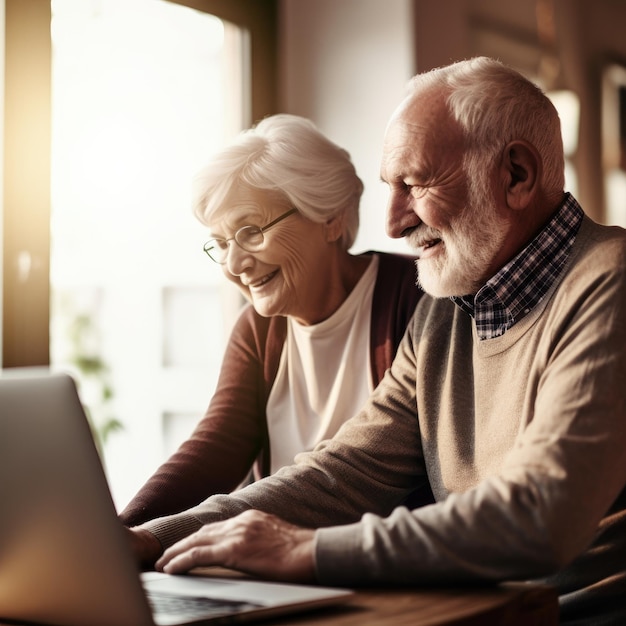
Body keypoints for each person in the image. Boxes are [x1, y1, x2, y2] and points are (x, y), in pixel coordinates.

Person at [129, 58, 626, 624]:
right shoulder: (445, 314)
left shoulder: (610, 281)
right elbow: (342, 473)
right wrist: (149, 537)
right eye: (390, 187)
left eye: (413, 184)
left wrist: (304, 551)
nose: (391, 224)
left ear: (515, 175)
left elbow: (542, 514)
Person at [119, 114, 427, 527]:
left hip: (380, 567)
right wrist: (125, 533)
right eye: (222, 243)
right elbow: (216, 446)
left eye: (250, 230)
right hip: (275, 571)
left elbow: (377, 468)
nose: (234, 263)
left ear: (330, 217)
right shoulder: (258, 330)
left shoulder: (416, 297)